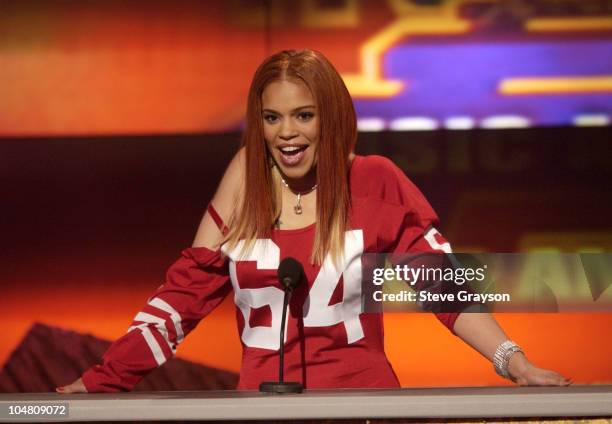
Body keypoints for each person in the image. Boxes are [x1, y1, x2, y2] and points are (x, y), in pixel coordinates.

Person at [57, 49, 570, 393]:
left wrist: (512, 360)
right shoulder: (245, 178)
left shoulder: (375, 180)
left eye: (304, 115)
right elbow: (180, 300)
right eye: (272, 117)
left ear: (332, 117)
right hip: (266, 408)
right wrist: (99, 382)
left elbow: (444, 285)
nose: (287, 134)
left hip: (365, 409)